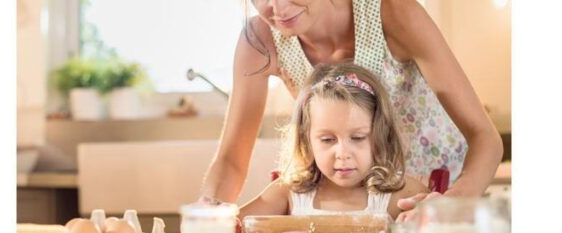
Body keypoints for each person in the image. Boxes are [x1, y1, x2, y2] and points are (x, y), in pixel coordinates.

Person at [200, 0, 503, 214]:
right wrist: (209, 216)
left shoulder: (395, 12)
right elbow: (231, 160)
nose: (277, 9)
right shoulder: (260, 41)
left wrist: (452, 203)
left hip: (432, 195)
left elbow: (485, 138)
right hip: (356, 204)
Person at [239, 63, 427, 219]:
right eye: (328, 140)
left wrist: (430, 220)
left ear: (381, 135)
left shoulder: (403, 194)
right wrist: (217, 214)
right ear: (306, 140)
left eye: (358, 138)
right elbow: (235, 228)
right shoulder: (289, 193)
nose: (343, 153)